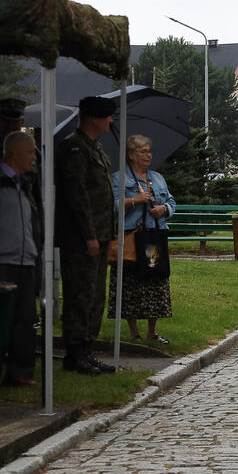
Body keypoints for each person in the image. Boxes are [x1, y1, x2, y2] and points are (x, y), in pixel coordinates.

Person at [57, 95, 117, 375]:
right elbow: (77, 196)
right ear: (93, 117)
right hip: (82, 237)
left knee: (95, 296)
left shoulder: (95, 148)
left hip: (101, 233)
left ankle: (87, 349)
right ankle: (75, 350)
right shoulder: (74, 148)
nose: (111, 121)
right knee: (80, 294)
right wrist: (89, 235)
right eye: (107, 116)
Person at [0, 131, 41, 385]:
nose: (33, 158)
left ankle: (20, 371)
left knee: (25, 319)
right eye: (29, 152)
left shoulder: (26, 182)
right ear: (13, 153)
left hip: (26, 260)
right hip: (0, 260)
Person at [109, 135, 176, 344]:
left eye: (149, 150)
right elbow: (111, 206)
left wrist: (164, 209)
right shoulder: (119, 178)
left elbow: (172, 201)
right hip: (131, 237)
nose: (148, 155)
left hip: (153, 237)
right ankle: (133, 331)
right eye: (142, 151)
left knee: (155, 279)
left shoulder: (157, 178)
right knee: (131, 283)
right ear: (131, 155)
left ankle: (152, 331)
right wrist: (133, 200)